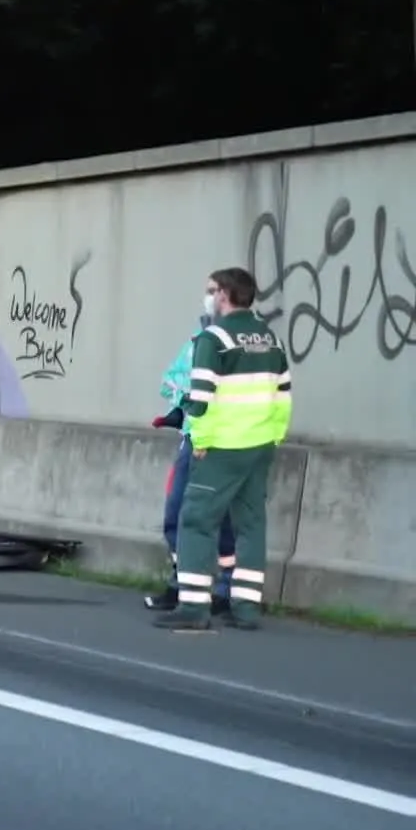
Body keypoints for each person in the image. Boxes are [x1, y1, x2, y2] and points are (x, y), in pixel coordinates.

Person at [155, 266, 292, 632]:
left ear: (225, 295)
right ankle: (245, 609)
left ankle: (193, 607)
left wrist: (200, 441)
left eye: (212, 291)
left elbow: (200, 399)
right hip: (260, 446)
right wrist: (275, 436)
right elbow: (283, 397)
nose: (210, 297)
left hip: (222, 447)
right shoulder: (271, 339)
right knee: (251, 526)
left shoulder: (213, 339)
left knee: (196, 521)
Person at [144, 307, 235, 615]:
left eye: (215, 290)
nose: (211, 298)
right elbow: (170, 382)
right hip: (194, 439)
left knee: (224, 520)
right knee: (176, 515)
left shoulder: (242, 346)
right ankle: (180, 586)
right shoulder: (196, 342)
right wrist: (184, 404)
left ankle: (225, 592)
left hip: (227, 443)